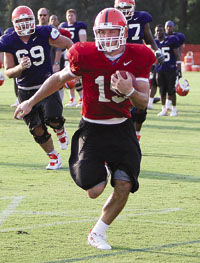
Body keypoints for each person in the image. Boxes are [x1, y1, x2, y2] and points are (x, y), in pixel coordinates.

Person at [14, 8, 155, 249]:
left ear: (123, 33)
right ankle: (103, 169)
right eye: (103, 31)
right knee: (94, 189)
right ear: (95, 33)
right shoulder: (85, 53)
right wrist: (29, 101)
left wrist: (129, 91)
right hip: (91, 128)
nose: (108, 36)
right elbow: (58, 79)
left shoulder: (139, 54)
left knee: (125, 184)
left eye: (113, 31)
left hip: (122, 129)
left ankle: (98, 232)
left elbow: (144, 102)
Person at [0, 5, 73, 169]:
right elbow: (9, 72)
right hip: (25, 90)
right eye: (21, 21)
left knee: (53, 118)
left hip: (46, 85)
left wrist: (73, 63)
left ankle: (60, 129)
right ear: (14, 23)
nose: (25, 24)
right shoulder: (9, 40)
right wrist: (20, 67)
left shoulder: (43, 32)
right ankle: (54, 156)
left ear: (33, 20)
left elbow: (68, 43)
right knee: (36, 128)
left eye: (28, 20)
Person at [114, 0, 165, 141]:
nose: (123, 10)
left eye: (127, 7)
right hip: (118, 61)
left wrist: (156, 50)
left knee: (141, 105)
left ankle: (136, 135)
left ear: (133, 7)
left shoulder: (142, 18)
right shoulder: (112, 18)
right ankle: (120, 136)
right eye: (120, 7)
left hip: (138, 61)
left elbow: (148, 37)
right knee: (118, 101)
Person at [59, 9, 87, 107]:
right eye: (68, 15)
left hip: (75, 54)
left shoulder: (80, 26)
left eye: (72, 15)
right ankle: (72, 99)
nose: (70, 17)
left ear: (75, 16)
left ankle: (81, 98)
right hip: (65, 55)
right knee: (68, 78)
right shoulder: (63, 26)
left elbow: (83, 41)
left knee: (77, 78)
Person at [153, 25, 180, 116]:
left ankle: (174, 109)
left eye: (160, 31)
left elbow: (177, 54)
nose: (159, 32)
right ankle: (164, 109)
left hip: (171, 68)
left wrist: (178, 67)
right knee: (162, 90)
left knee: (171, 90)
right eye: (157, 31)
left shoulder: (172, 40)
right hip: (160, 69)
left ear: (163, 31)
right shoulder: (155, 42)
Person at [165, 20, 185, 110]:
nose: (169, 28)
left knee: (171, 87)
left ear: (174, 27)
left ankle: (170, 105)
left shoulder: (178, 37)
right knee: (164, 87)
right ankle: (166, 105)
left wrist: (179, 66)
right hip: (162, 65)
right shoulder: (161, 35)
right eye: (167, 26)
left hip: (173, 65)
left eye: (170, 26)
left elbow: (178, 52)